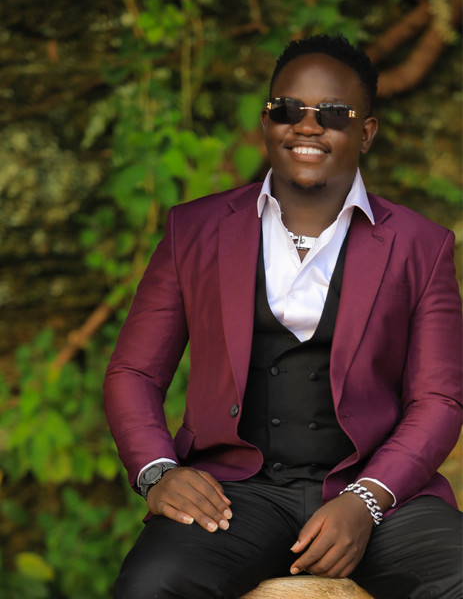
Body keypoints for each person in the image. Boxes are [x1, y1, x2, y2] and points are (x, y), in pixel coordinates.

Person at [103, 34, 462, 599]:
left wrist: (368, 498)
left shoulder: (422, 246)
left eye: (334, 113)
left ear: (366, 132)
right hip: (234, 495)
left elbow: (438, 399)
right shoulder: (193, 230)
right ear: (267, 121)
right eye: (288, 109)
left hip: (378, 495)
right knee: (151, 584)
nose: (307, 126)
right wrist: (158, 471)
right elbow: (135, 373)